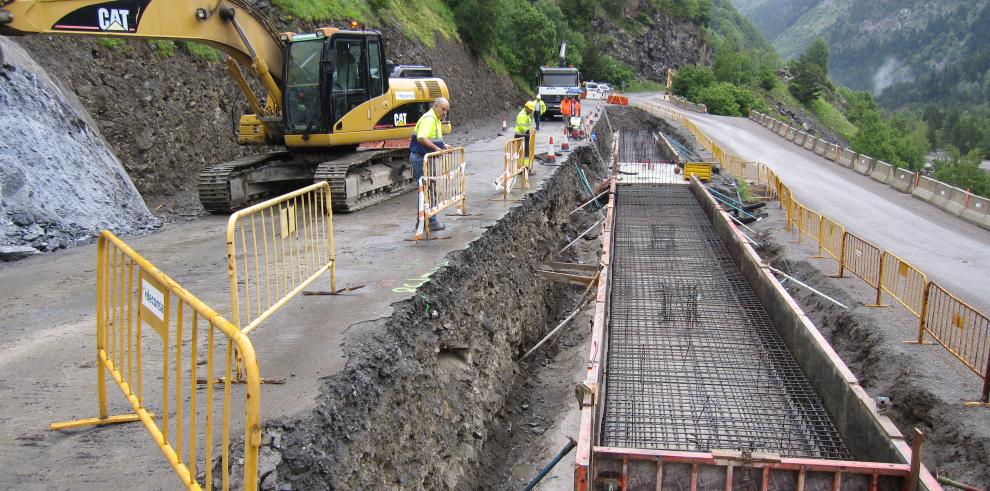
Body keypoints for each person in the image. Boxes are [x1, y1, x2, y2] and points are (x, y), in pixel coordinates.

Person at [410, 97, 450, 232]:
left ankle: (424, 221)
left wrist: (443, 145)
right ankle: (429, 221)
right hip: (422, 158)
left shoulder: (435, 119)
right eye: (443, 109)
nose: (445, 112)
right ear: (435, 107)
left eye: (446, 110)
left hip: (424, 157)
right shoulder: (429, 119)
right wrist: (436, 149)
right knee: (427, 189)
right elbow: (422, 137)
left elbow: (433, 138)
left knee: (427, 189)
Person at [514, 100, 538, 169]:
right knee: (523, 153)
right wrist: (528, 131)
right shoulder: (522, 115)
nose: (531, 111)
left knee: (525, 153)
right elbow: (522, 127)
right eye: (530, 110)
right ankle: (523, 168)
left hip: (524, 135)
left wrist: (530, 130)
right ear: (526, 108)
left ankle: (524, 168)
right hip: (520, 136)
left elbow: (528, 126)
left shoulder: (527, 115)